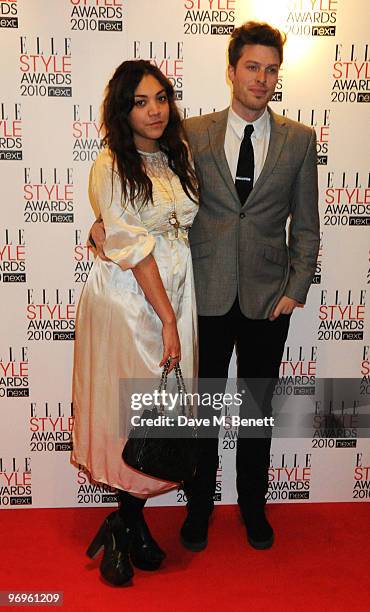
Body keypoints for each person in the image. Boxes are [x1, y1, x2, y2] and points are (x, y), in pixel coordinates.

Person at [91, 21, 320, 553]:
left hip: (269, 300)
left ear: (276, 76)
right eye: (251, 67)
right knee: (202, 416)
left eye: (270, 70)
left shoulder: (300, 140)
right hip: (204, 294)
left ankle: (254, 508)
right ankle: (199, 511)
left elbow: (306, 224)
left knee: (257, 412)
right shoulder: (189, 133)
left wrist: (296, 287)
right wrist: (100, 226)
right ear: (232, 70)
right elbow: (147, 200)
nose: (261, 79)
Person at [72, 59, 198, 586]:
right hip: (131, 304)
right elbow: (133, 246)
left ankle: (128, 521)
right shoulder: (109, 165)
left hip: (174, 295)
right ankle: (127, 526)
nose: (154, 111)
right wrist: (167, 320)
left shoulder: (175, 156)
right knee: (131, 411)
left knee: (155, 413)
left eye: (161, 98)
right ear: (122, 110)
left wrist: (176, 312)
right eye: (140, 102)